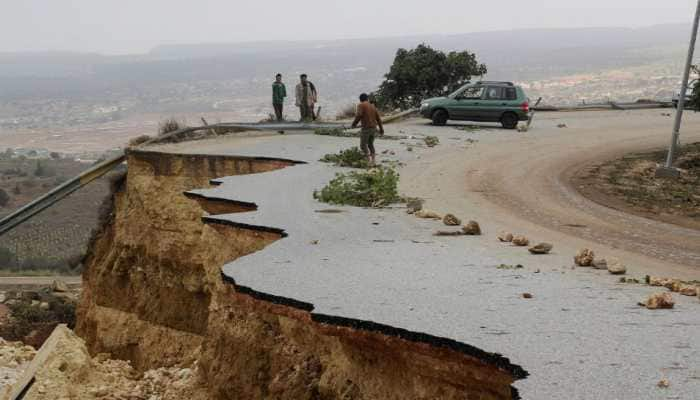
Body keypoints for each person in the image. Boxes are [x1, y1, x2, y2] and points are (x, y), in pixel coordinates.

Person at [351, 93, 384, 165]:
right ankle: (373, 160)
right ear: (367, 99)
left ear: (360, 100)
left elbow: (359, 115)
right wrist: (381, 129)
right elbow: (378, 119)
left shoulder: (361, 105)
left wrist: (354, 124)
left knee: (363, 145)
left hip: (366, 128)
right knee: (370, 144)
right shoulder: (373, 106)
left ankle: (368, 159)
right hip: (374, 128)